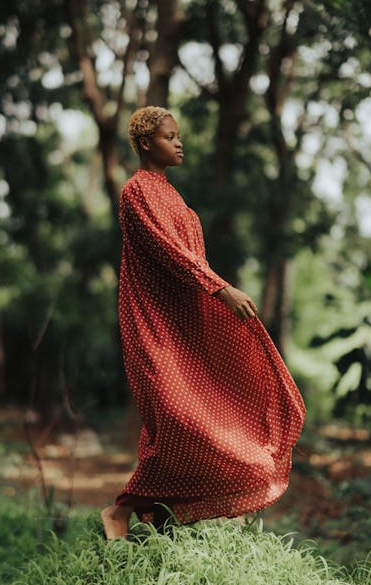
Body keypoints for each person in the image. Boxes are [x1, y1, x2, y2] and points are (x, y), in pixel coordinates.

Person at [101, 106, 305, 540]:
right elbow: (171, 253)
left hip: (187, 325)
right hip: (153, 327)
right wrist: (221, 288)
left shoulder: (173, 195)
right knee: (178, 421)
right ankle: (120, 511)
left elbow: (189, 257)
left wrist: (214, 297)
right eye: (169, 137)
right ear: (144, 144)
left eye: (178, 136)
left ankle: (154, 517)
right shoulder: (136, 192)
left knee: (208, 418)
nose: (180, 143)